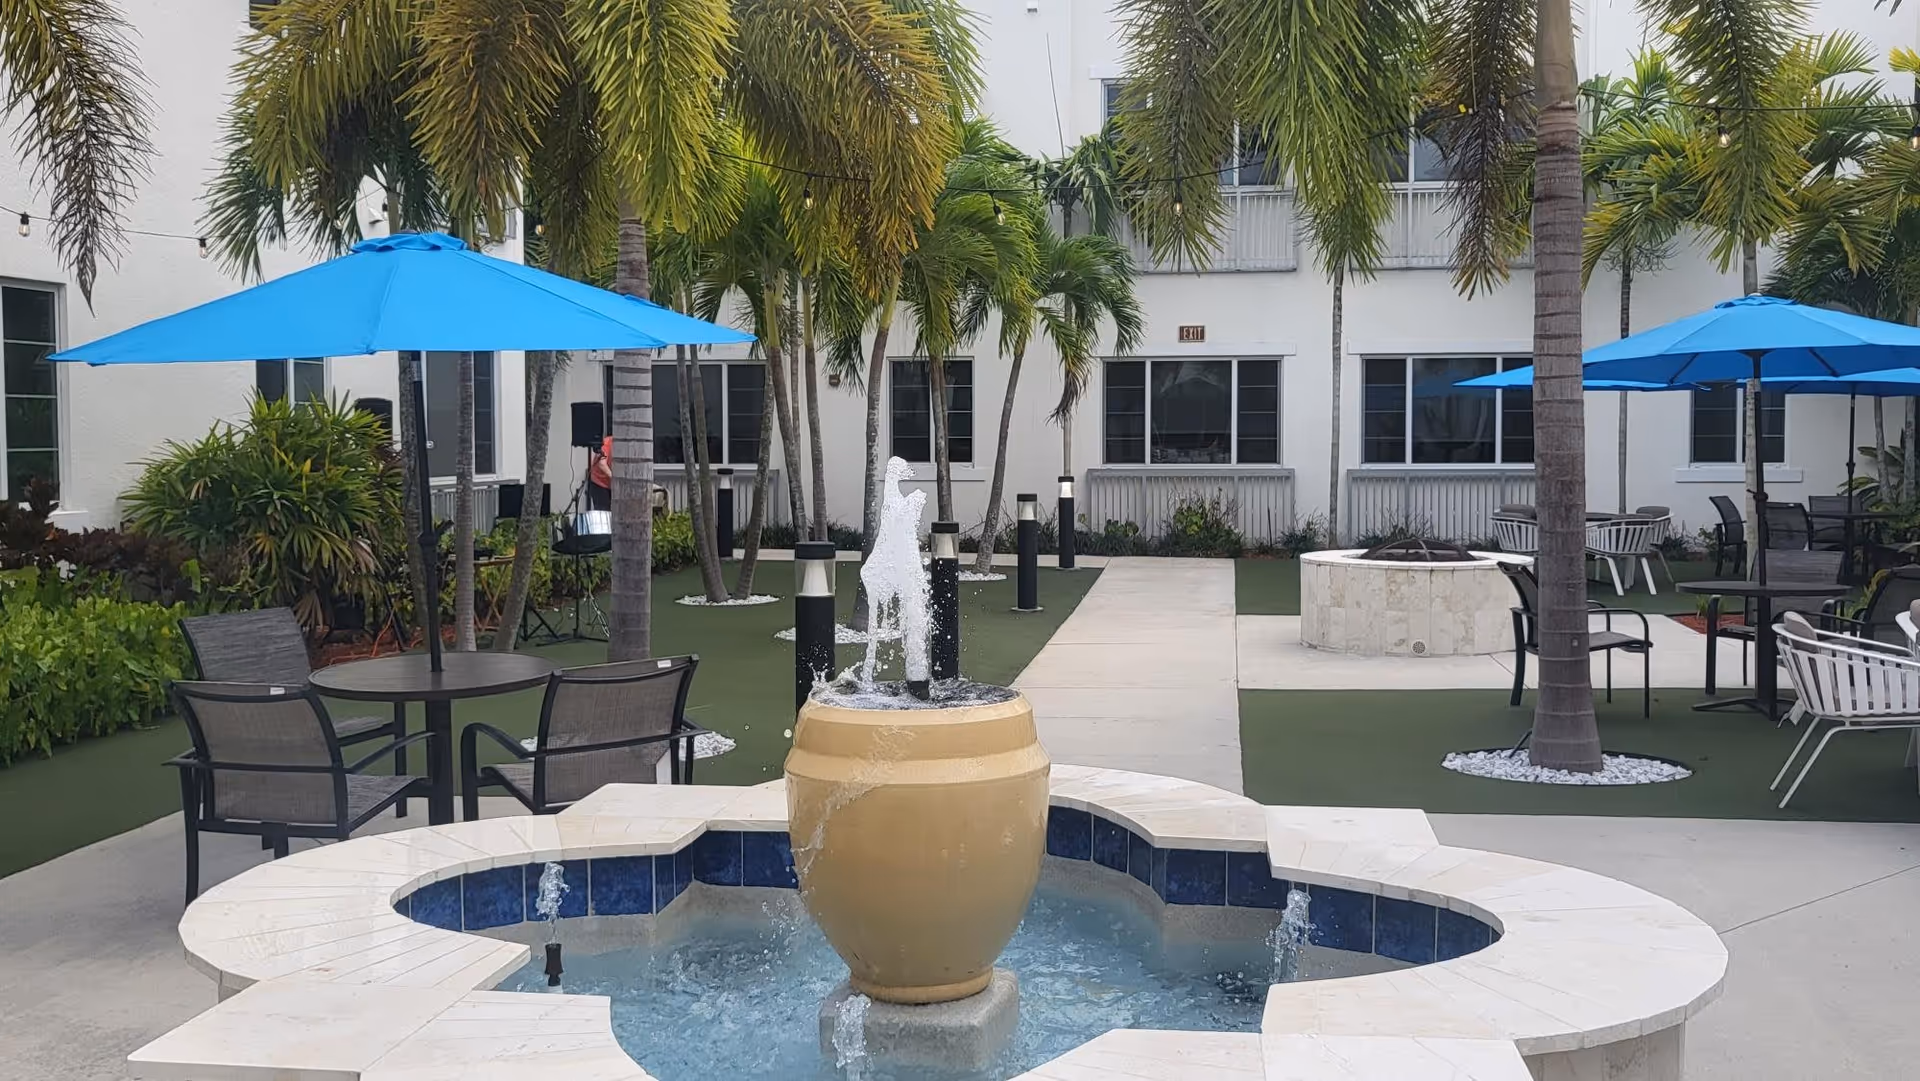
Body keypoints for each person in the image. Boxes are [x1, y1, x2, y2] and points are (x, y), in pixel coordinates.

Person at [587, 435, 611, 510]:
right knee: (602, 511)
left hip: (613, 484)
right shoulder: (607, 442)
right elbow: (602, 464)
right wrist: (615, 478)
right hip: (600, 483)